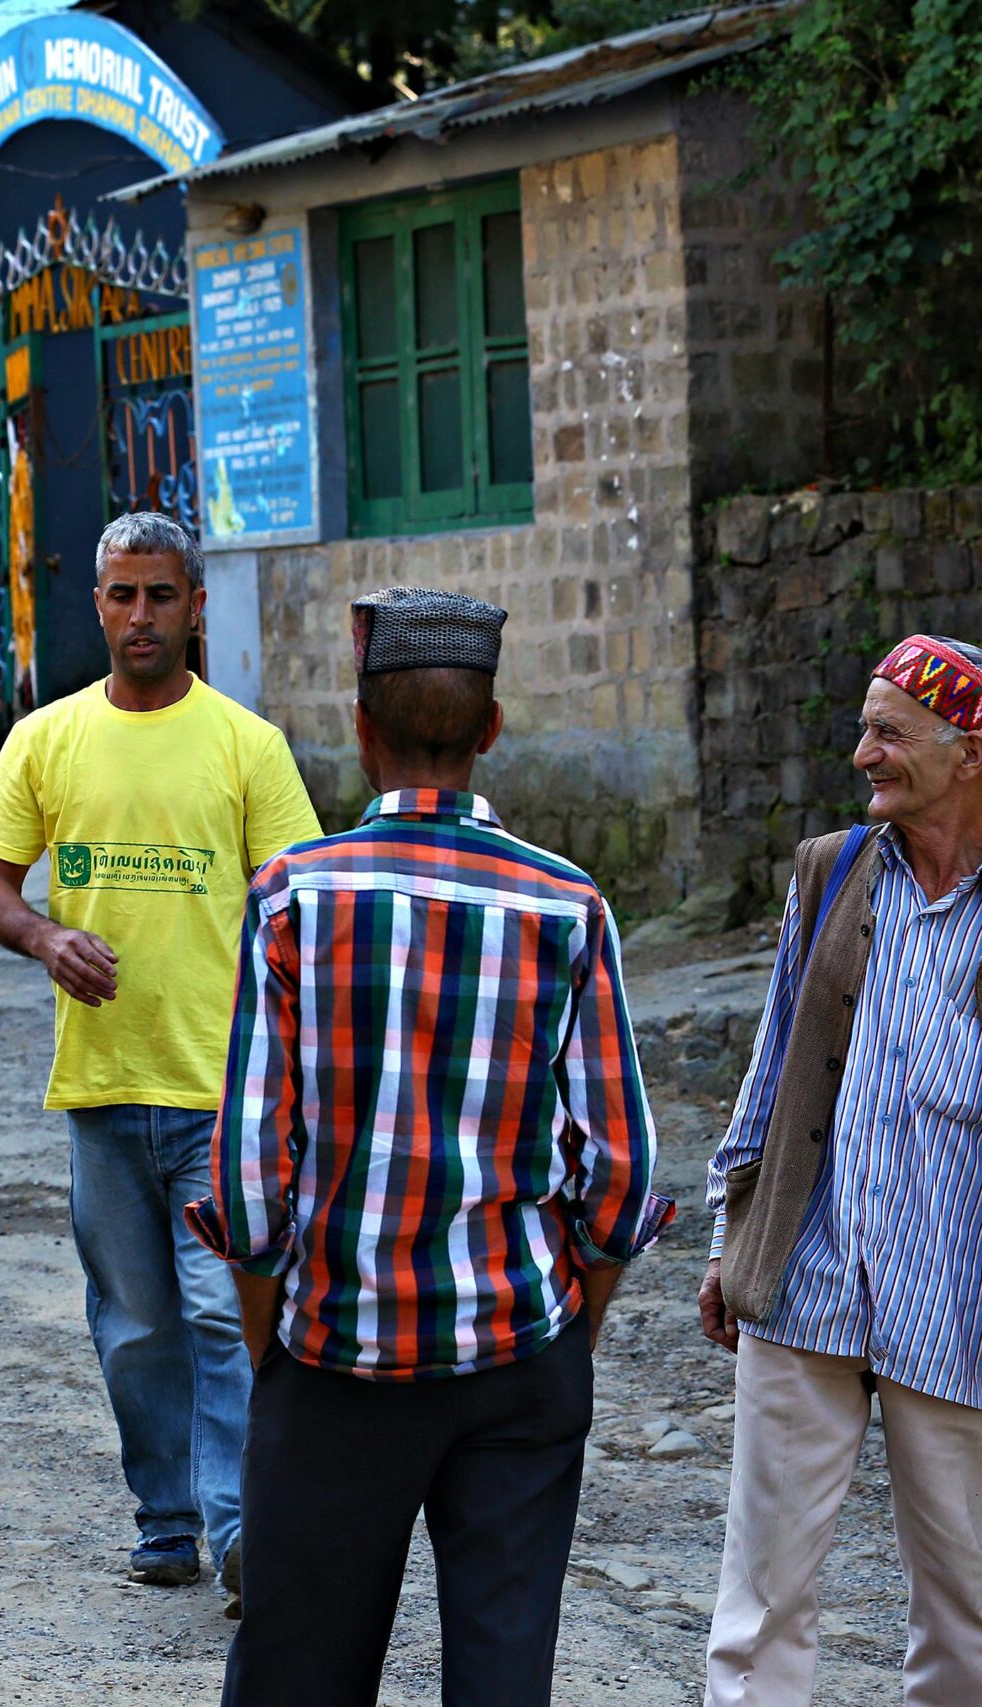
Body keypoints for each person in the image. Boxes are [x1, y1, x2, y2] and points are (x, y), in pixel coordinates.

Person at [192, 587, 672, 1707]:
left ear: (359, 732)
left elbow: (251, 1189)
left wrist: (279, 1350)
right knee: (503, 1679)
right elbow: (621, 1175)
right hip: (516, 1359)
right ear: (491, 730)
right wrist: (564, 1335)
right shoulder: (567, 905)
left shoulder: (292, 898)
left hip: (334, 1360)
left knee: (296, 1676)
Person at [698, 635, 982, 1706]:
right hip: (808, 1284)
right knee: (759, 1601)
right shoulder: (830, 874)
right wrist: (730, 1238)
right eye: (865, 728)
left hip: (961, 1305)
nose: (863, 755)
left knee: (957, 1602)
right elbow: (772, 1069)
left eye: (889, 732)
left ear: (969, 752)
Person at [0, 512, 324, 1612]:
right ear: (96, 605)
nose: (139, 616)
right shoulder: (45, 740)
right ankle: (163, 1519)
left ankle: (237, 1536)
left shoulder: (245, 747)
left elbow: (296, 906)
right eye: (121, 596)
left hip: (223, 1094)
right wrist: (43, 936)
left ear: (195, 607)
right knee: (133, 1330)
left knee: (223, 1318)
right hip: (102, 1089)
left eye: (160, 596)